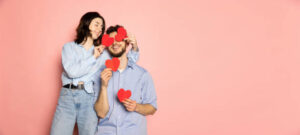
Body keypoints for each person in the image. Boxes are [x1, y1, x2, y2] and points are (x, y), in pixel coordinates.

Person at [50, 13, 139, 135]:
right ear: (86, 24)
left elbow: (126, 62)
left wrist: (134, 47)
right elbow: (72, 72)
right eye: (96, 24)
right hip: (67, 97)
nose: (100, 29)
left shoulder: (103, 53)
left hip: (89, 98)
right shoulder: (69, 48)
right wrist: (93, 57)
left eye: (102, 27)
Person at [94, 25, 157, 135]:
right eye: (111, 41)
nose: (115, 43)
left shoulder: (142, 75)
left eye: (119, 39)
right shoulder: (100, 74)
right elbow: (101, 113)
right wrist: (104, 86)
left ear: (127, 43)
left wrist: (136, 107)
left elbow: (152, 108)